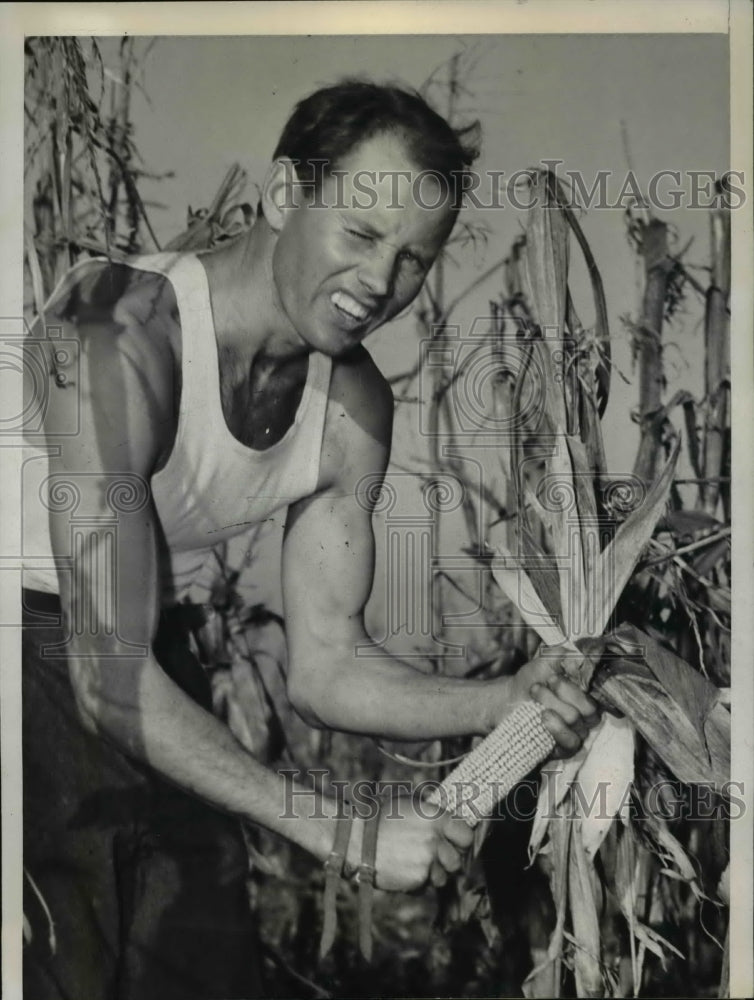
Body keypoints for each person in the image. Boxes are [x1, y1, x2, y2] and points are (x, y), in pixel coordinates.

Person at [21, 80, 600, 998]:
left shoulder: (351, 405)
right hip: (49, 653)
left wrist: (504, 700)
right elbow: (109, 681)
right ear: (285, 194)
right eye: (361, 235)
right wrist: (345, 827)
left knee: (200, 966)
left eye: (414, 260)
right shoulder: (111, 331)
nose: (381, 283)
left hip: (133, 647)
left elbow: (327, 665)